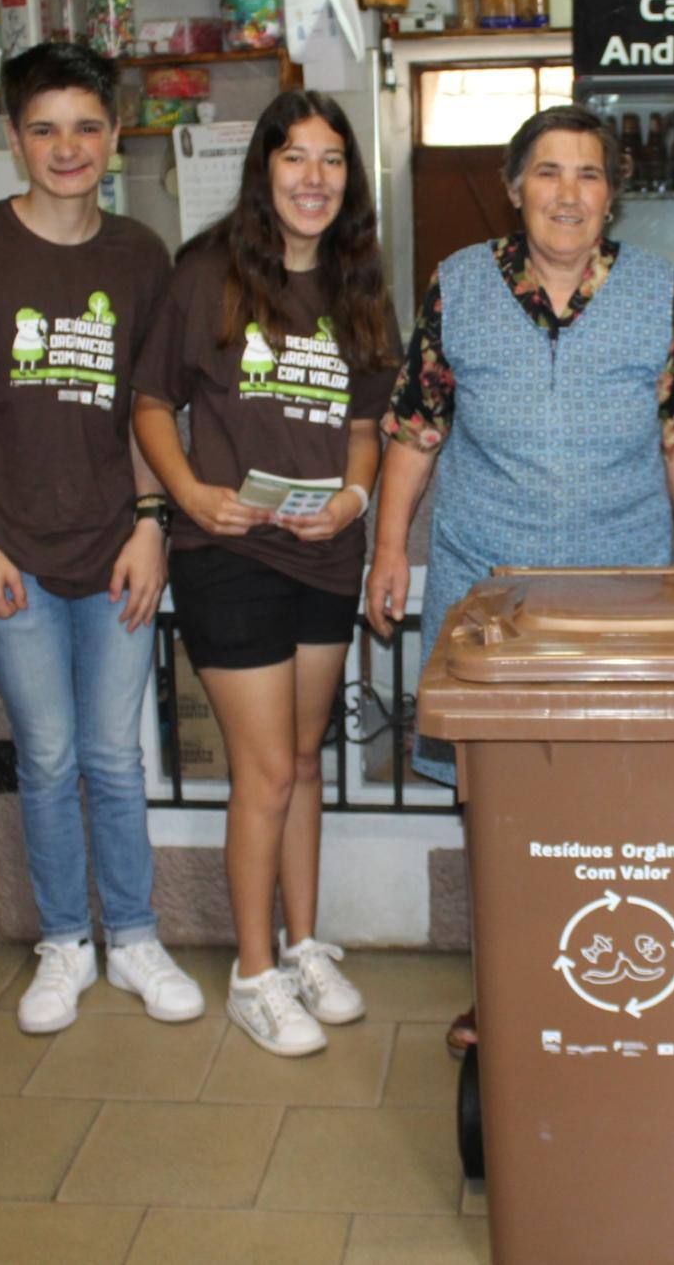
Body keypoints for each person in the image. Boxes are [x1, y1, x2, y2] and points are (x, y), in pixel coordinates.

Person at [365, 103, 674, 1053]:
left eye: (590, 174)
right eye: (549, 172)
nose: (569, 193)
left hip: (624, 586)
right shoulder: (459, 284)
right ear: (517, 187)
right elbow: (415, 425)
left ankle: (608, 978)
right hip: (491, 588)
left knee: (611, 796)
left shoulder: (656, 289)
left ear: (613, 197)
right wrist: (390, 549)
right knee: (499, 798)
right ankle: (505, 984)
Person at [0, 42, 202, 1036]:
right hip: (12, 554)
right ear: (12, 139)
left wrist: (152, 526)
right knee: (46, 755)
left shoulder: (140, 255)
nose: (65, 148)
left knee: (115, 758)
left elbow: (153, 410)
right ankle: (63, 942)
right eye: (43, 128)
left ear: (113, 138)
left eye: (84, 126)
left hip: (115, 545)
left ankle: (135, 936)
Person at [131, 90, 400, 1058]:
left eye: (331, 161)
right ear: (265, 170)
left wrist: (355, 501)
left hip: (324, 553)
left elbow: (366, 426)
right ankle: (252, 976)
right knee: (265, 772)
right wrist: (188, 500)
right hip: (229, 552)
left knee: (302, 765)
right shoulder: (205, 275)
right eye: (295, 158)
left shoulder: (358, 284)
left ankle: (301, 943)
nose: (313, 178)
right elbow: (153, 405)